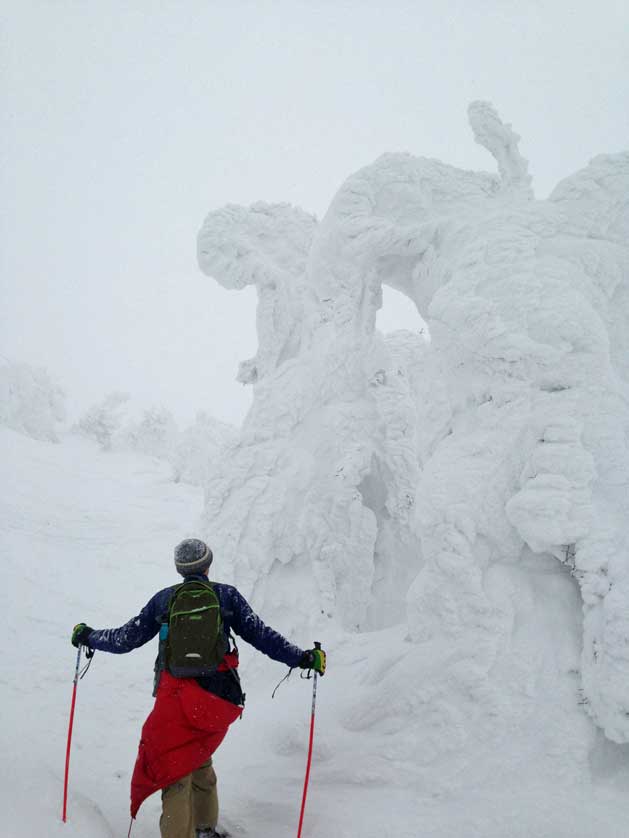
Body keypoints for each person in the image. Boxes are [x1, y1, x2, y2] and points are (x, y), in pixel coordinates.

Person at [71, 537, 326, 838]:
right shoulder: (226, 596)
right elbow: (262, 636)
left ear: (179, 569)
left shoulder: (164, 600)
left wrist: (88, 636)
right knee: (199, 758)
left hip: (176, 698)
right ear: (208, 565)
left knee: (175, 769)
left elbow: (126, 638)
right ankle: (205, 830)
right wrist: (303, 658)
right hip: (218, 698)